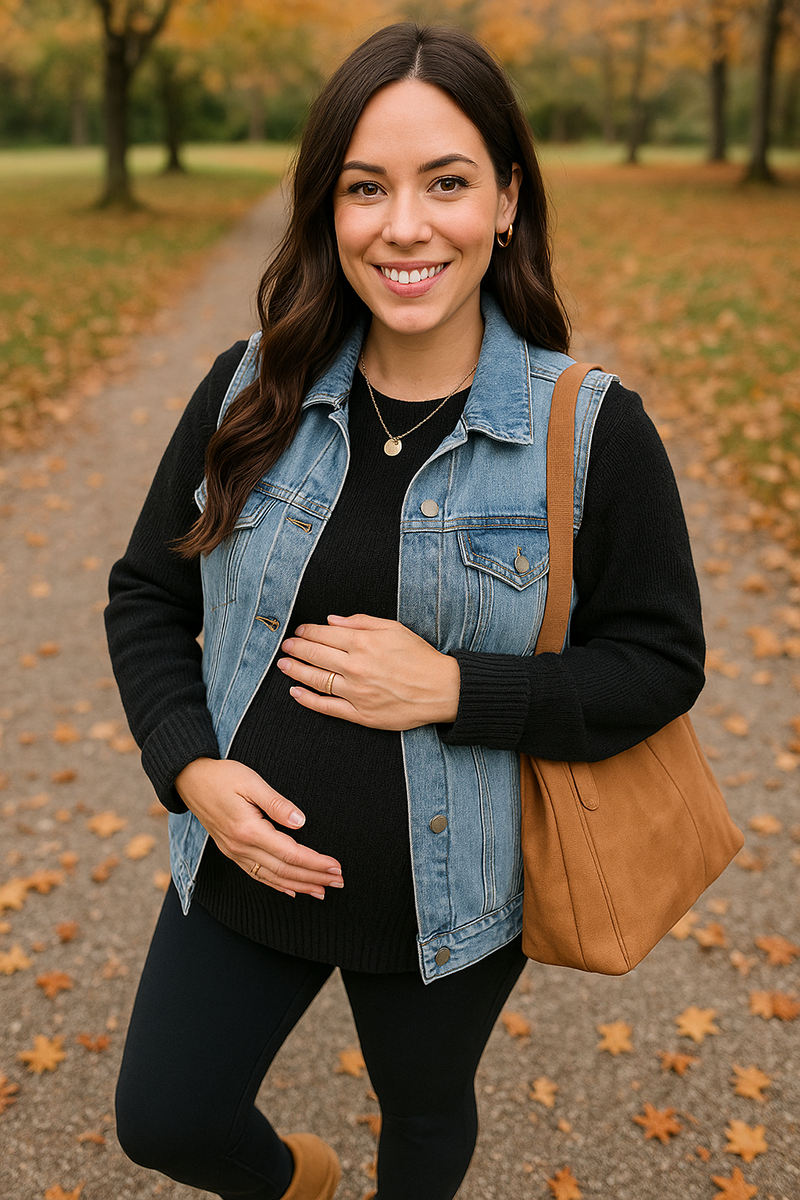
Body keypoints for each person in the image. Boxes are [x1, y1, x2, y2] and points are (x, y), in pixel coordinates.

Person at [105, 22, 705, 1200]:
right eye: (364, 188)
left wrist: (454, 688)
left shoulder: (585, 430)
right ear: (328, 210)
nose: (404, 226)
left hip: (453, 895)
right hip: (243, 865)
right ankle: (297, 1182)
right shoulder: (247, 392)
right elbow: (145, 591)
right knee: (166, 1119)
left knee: (424, 1121)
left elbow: (657, 663)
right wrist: (187, 769)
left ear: (506, 202)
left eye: (446, 183)